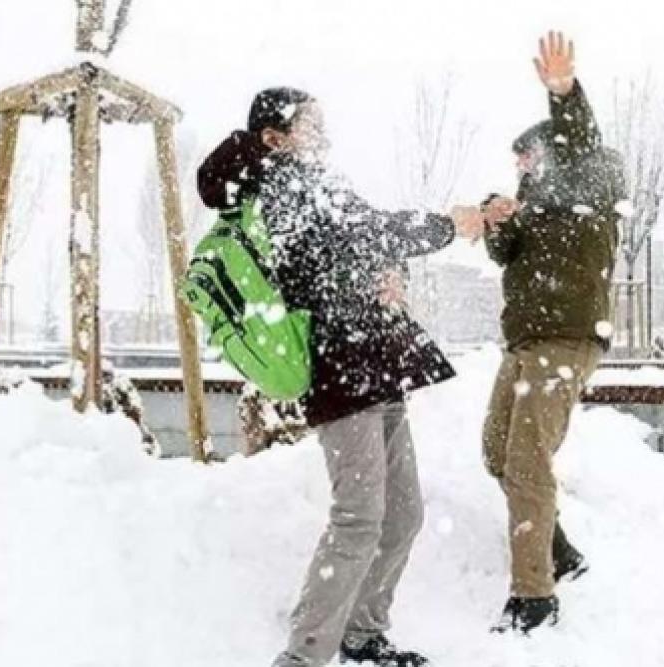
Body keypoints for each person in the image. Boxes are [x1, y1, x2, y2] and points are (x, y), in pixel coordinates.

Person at [197, 87, 486, 667]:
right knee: (359, 518)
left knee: (404, 515)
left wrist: (391, 268)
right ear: (275, 137)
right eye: (311, 124)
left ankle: (363, 631)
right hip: (341, 369)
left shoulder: (317, 182)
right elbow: (355, 235)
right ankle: (304, 654)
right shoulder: (278, 186)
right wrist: (444, 226)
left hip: (376, 363)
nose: (323, 133)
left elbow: (363, 239)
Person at [477, 31, 627, 634]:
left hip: (566, 341)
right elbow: (504, 253)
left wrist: (563, 92)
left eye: (527, 158)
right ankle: (559, 550)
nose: (522, 168)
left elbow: (581, 141)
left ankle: (534, 597)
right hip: (525, 344)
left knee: (527, 461)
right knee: (497, 452)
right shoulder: (533, 205)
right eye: (517, 163)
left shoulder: (593, 180)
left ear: (552, 151)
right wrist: (496, 218)